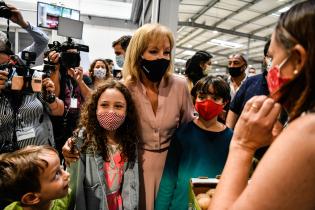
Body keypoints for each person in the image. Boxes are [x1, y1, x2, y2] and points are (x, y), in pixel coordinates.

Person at [62, 23, 195, 210]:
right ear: (138, 53)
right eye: (154, 51)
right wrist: (74, 141)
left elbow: (190, 129)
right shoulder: (125, 87)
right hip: (135, 166)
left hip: (172, 168)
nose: (162, 58)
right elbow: (101, 119)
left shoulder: (180, 86)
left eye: (167, 52)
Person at [209, 1, 315, 210]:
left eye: (273, 57)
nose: (270, 68)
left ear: (297, 59)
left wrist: (242, 145)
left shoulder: (306, 132)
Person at [155, 75, 232, 210]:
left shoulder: (231, 139)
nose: (208, 103)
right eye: (202, 97)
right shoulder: (181, 134)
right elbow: (169, 178)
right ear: (194, 99)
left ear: (224, 102)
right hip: (180, 205)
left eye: (215, 98)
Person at [68, 79, 140, 210]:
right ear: (95, 108)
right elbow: (75, 188)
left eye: (118, 106)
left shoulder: (130, 141)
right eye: (104, 105)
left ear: (127, 110)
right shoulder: (83, 139)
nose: (111, 112)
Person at [0, 31, 64, 153]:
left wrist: (50, 96)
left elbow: (59, 110)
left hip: (39, 154)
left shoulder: (30, 76)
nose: (4, 70)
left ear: (10, 58)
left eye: (4, 65)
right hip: (8, 160)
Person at [48, 40, 92, 155]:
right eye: (68, 55)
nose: (71, 58)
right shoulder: (56, 73)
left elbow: (91, 99)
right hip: (57, 124)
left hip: (77, 124)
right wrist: (56, 68)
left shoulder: (83, 77)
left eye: (74, 55)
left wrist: (80, 81)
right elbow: (55, 94)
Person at [0, 145, 70, 210]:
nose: (67, 174)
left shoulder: (68, 196)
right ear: (31, 198)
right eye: (56, 174)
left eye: (61, 167)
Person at [226, 41, 271, 129]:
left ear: (244, 66)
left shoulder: (296, 89)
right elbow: (234, 110)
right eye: (270, 56)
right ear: (264, 58)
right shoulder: (251, 82)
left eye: (236, 63)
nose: (232, 66)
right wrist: (228, 135)